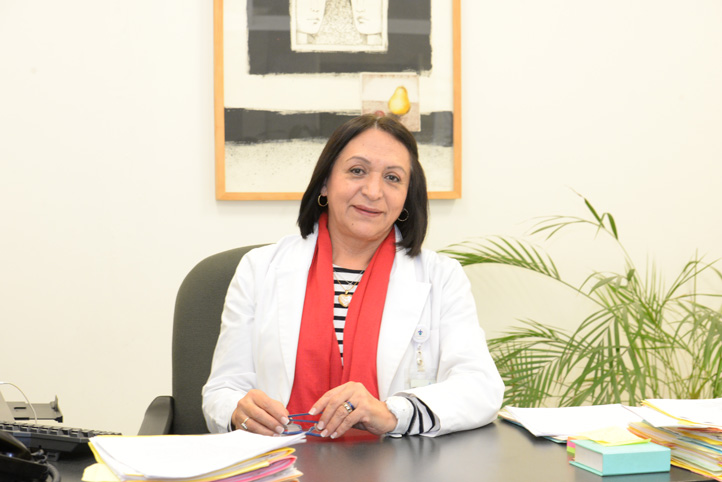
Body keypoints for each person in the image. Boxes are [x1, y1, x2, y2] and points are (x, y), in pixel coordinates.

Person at [202, 114, 504, 439]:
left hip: (398, 462)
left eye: (392, 178)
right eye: (357, 171)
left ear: (407, 196)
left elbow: (481, 387)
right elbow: (222, 390)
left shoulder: (442, 277)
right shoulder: (259, 269)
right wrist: (237, 411)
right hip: (281, 459)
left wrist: (392, 412)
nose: (373, 191)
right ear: (325, 182)